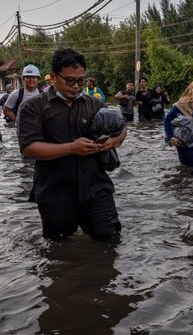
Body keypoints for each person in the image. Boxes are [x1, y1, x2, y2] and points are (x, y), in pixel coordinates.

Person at [18, 47, 126, 240]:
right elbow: (28, 148)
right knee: (59, 252)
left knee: (110, 242)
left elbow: (121, 129)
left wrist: (112, 142)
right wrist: (71, 148)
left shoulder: (94, 104)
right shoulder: (34, 107)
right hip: (55, 192)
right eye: (69, 80)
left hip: (96, 188)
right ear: (53, 77)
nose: (76, 86)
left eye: (81, 80)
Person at [163, 80, 193, 168]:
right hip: (182, 142)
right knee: (189, 163)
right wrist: (171, 137)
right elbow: (167, 120)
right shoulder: (180, 106)